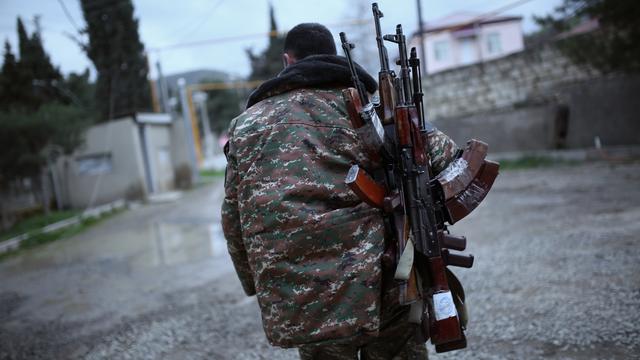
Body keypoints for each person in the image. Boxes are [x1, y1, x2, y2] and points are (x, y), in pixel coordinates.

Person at [222, 23, 459, 360]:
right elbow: (451, 161)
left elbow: (233, 218)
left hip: (303, 295)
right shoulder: (372, 111)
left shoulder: (246, 127)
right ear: (333, 57)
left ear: (287, 62)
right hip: (384, 283)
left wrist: (256, 283)